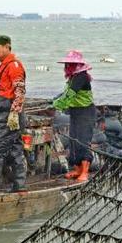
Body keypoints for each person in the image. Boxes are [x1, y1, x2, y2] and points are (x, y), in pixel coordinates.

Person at [0, 35, 27, 192]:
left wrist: (14, 113)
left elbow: (20, 90)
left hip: (8, 116)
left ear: (7, 47)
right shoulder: (5, 65)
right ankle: (19, 186)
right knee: (15, 147)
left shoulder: (13, 66)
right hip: (4, 114)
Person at [52, 50, 96, 182]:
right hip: (75, 111)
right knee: (73, 139)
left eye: (70, 64)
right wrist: (54, 100)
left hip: (85, 112)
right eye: (67, 64)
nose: (67, 67)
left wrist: (55, 105)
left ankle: (85, 172)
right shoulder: (72, 78)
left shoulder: (81, 77)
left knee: (83, 140)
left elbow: (69, 95)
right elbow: (64, 94)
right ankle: (77, 169)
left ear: (77, 64)